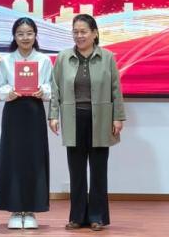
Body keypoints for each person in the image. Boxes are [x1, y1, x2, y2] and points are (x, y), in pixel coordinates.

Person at [48, 14, 126, 232]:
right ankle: (77, 216)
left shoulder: (107, 57)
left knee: (99, 170)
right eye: (75, 32)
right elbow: (55, 89)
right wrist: (53, 115)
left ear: (95, 33)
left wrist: (118, 116)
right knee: (76, 171)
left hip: (101, 119)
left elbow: (116, 89)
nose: (79, 36)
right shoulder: (63, 57)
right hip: (73, 119)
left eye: (83, 31)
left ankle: (97, 216)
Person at [0, 17, 52, 230]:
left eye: (29, 33)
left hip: (34, 112)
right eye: (20, 33)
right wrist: (7, 92)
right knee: (13, 159)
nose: (25, 37)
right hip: (14, 112)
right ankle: (15, 210)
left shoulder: (44, 60)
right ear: (14, 36)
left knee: (35, 159)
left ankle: (31, 210)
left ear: (35, 35)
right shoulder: (6, 60)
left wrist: (43, 90)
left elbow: (51, 86)